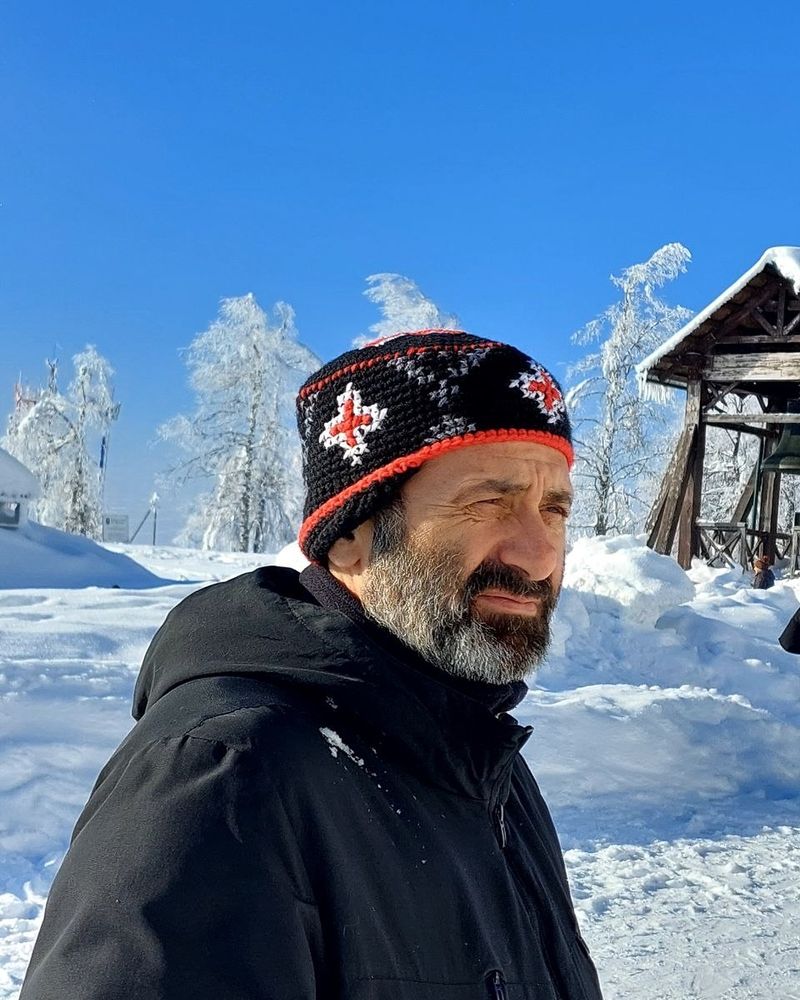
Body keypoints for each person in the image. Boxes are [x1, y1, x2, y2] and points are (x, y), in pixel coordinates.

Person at [20, 330, 604, 1000]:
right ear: (350, 536)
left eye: (554, 511)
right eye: (487, 503)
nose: (538, 554)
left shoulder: (482, 761)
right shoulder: (223, 776)